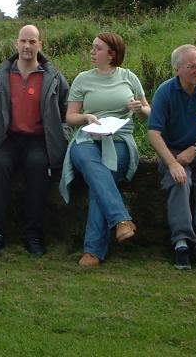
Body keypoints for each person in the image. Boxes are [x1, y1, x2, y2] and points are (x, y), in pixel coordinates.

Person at [0, 25, 70, 258]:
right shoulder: (0, 75)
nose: (27, 46)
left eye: (32, 41)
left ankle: (33, 236)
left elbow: (67, 113)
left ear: (40, 45)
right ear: (16, 44)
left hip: (39, 140)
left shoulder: (53, 78)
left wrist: (61, 135)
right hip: (7, 138)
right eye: (23, 41)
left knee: (38, 167)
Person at [58, 33, 150, 267]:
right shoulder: (82, 79)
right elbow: (70, 117)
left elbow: (147, 113)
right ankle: (121, 220)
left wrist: (140, 109)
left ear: (112, 53)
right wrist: (86, 117)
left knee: (101, 179)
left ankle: (93, 252)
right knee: (93, 166)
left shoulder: (129, 77)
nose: (92, 51)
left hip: (119, 139)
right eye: (92, 47)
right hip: (87, 138)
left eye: (97, 48)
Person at [148, 44, 196, 273]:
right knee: (180, 183)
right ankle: (181, 243)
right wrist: (172, 163)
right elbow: (153, 132)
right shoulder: (165, 92)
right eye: (192, 66)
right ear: (177, 69)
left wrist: (195, 149)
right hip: (172, 149)